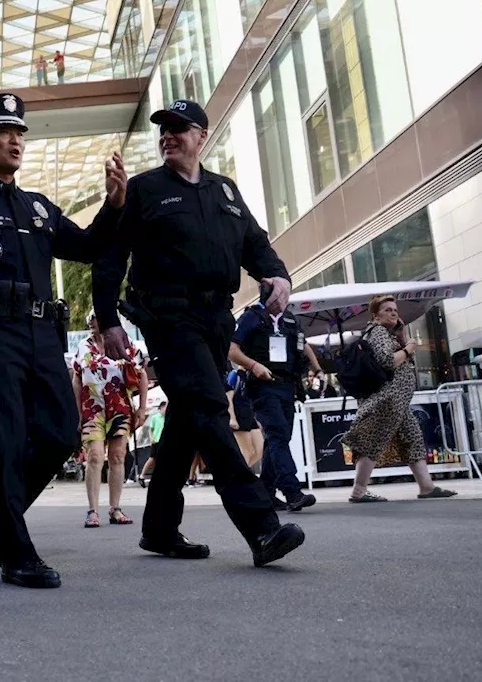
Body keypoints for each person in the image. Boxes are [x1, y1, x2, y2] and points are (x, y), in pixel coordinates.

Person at [92, 98, 304, 568]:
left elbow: (256, 244)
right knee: (209, 408)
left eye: (178, 128)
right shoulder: (144, 190)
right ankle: (261, 528)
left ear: (201, 136)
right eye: (162, 130)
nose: (168, 136)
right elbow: (110, 257)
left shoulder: (224, 192)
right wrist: (107, 319)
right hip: (168, 319)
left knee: (188, 424)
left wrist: (278, 276)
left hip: (216, 319)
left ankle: (160, 530)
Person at [0, 93, 120, 588]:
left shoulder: (37, 207)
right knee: (6, 440)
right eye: (3, 132)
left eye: (19, 133)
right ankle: (17, 553)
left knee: (61, 433)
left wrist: (114, 205)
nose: (16, 140)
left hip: (41, 335)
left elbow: (88, 246)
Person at [343, 295, 457, 503]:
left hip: (398, 403)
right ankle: (358, 491)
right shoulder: (377, 332)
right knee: (372, 443)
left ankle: (427, 487)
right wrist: (408, 348)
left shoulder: (388, 334)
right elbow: (387, 361)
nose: (394, 312)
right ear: (376, 316)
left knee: (413, 440)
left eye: (395, 309)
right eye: (387, 310)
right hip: (387, 401)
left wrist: (402, 336)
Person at [230, 300, 321, 511]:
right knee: (278, 434)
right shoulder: (252, 317)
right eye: (278, 291)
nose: (282, 297)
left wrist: (316, 368)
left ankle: (266, 493)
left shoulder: (290, 319)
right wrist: (253, 365)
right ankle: (292, 490)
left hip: (288, 385)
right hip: (262, 384)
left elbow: (303, 343)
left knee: (278, 439)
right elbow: (231, 350)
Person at [71, 309, 148, 528]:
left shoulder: (124, 343)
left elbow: (141, 374)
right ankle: (92, 510)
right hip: (92, 407)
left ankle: (115, 508)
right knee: (94, 455)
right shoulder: (83, 347)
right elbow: (77, 380)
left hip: (120, 407)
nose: (93, 322)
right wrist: (78, 413)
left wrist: (141, 409)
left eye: (97, 317)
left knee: (117, 456)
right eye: (91, 319)